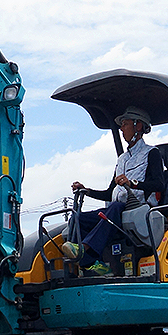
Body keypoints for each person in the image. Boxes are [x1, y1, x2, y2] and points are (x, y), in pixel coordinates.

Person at [64, 106, 157, 272]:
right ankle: (94, 264)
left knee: (115, 207)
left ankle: (84, 248)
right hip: (117, 211)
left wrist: (133, 183)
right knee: (77, 218)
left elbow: (159, 184)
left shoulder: (152, 153)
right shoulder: (122, 159)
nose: (121, 129)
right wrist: (86, 190)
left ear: (138, 126)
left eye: (125, 124)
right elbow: (109, 193)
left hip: (139, 209)